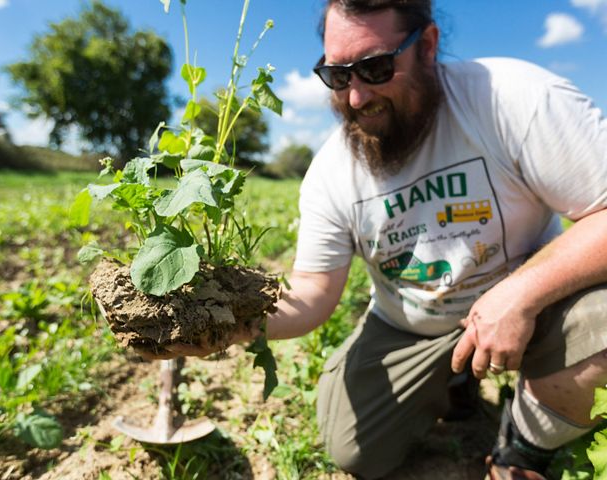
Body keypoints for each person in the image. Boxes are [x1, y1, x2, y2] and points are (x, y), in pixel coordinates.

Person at [149, 0, 607, 478]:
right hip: (410, 326)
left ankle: (525, 445)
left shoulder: (512, 99)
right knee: (355, 449)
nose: (355, 98)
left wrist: (520, 294)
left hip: (534, 309)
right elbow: (311, 293)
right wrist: (223, 322)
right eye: (338, 75)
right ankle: (453, 382)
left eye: (374, 68)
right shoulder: (331, 174)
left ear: (426, 46)